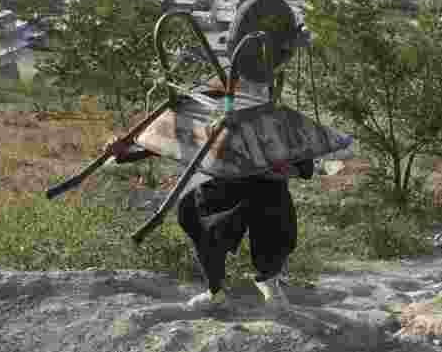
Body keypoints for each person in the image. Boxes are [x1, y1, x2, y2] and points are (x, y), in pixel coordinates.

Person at [106, 73, 315, 311]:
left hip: (267, 189)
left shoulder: (279, 122)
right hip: (221, 187)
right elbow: (161, 141)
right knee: (194, 214)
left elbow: (305, 167)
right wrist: (122, 151)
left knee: (275, 229)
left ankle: (271, 285)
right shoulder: (211, 113)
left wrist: (284, 169)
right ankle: (215, 292)